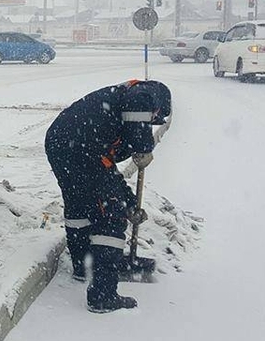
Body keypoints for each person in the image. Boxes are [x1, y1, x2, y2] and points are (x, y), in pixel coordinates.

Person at [44, 79, 171, 313]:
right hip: (80, 147)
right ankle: (102, 295)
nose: (151, 123)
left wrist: (130, 202)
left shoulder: (109, 111)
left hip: (62, 142)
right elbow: (139, 102)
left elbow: (107, 169)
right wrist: (143, 147)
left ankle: (84, 266)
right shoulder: (145, 93)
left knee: (79, 205)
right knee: (111, 215)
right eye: (153, 118)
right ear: (158, 107)